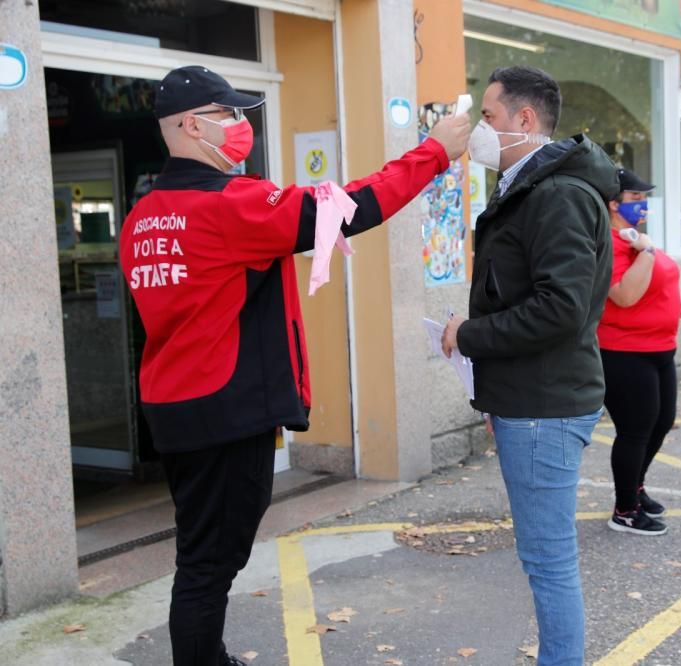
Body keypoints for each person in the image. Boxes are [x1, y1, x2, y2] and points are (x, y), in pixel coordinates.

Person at [119, 65, 470, 666]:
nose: (239, 126)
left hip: (176, 408)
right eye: (226, 114)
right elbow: (354, 206)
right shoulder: (232, 205)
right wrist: (435, 152)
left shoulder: (142, 217)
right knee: (209, 564)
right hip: (227, 410)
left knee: (202, 553)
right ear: (185, 124)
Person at [440, 66, 618, 665]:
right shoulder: (532, 188)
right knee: (545, 556)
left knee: (547, 558)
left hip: (544, 407)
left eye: (486, 117)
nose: (477, 131)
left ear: (524, 120)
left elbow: (560, 309)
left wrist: (469, 336)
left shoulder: (557, 194)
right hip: (532, 400)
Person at [597, 168, 681, 536]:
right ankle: (625, 511)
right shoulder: (610, 245)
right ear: (614, 204)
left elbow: (654, 288)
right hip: (624, 351)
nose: (643, 205)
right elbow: (625, 296)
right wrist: (645, 250)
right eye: (636, 199)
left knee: (661, 423)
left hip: (660, 347)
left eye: (645, 199)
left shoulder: (635, 239)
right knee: (635, 430)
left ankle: (636, 486)